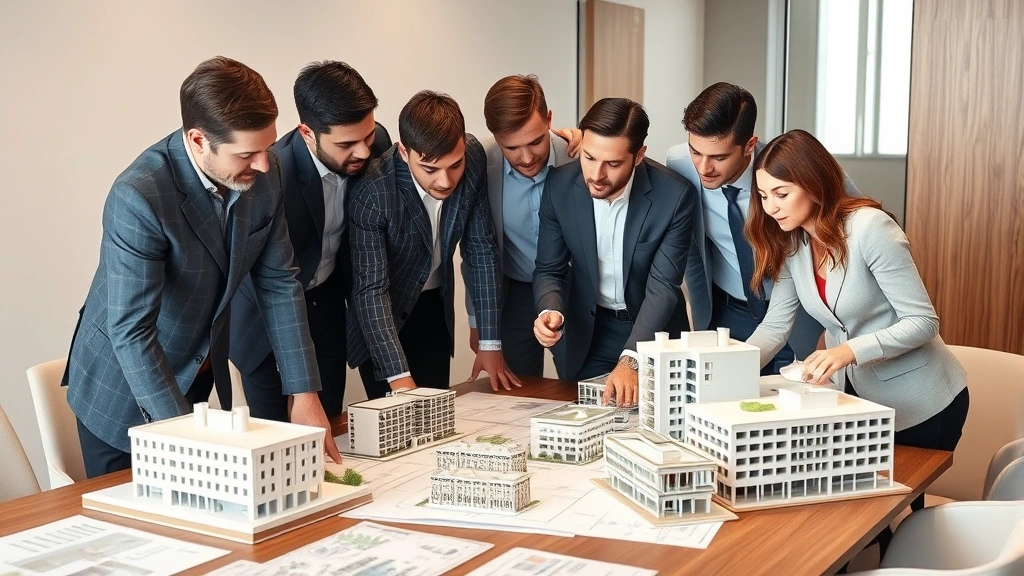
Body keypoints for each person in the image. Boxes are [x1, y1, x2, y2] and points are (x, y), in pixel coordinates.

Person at [64, 56, 341, 477]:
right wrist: (188, 439)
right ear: (197, 141)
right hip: (122, 388)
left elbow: (280, 284)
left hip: (197, 372)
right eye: (248, 153)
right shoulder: (139, 195)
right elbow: (131, 330)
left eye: (267, 148)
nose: (264, 165)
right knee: (137, 533)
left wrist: (304, 393)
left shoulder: (264, 171)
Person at [744, 129, 969, 513]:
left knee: (889, 513)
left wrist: (849, 350)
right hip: (861, 403)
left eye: (781, 194)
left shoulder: (869, 228)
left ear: (814, 186)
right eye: (764, 196)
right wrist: (725, 368)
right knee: (856, 510)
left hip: (924, 403)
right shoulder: (792, 242)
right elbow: (774, 327)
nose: (771, 208)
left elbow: (923, 321)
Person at [229, 61, 391, 423]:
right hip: (264, 316)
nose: (364, 152)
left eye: (367, 136)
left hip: (327, 305)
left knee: (327, 424)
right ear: (307, 132)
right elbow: (260, 273)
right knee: (271, 437)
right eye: (348, 143)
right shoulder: (272, 174)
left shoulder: (377, 144)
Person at [665, 82, 860, 374]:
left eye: (719, 158)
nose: (704, 168)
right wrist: (571, 143)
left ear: (750, 145)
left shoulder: (795, 170)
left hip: (799, 318)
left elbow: (856, 226)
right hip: (726, 312)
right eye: (696, 152)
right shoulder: (680, 163)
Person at [347, 90, 520, 399]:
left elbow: (481, 250)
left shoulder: (474, 157)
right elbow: (370, 291)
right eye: (430, 170)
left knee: (436, 417)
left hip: (434, 309)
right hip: (383, 316)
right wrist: (400, 379)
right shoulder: (372, 191)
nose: (445, 181)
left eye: (454, 165)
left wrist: (490, 343)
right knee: (395, 427)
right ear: (404, 152)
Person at [533, 97, 695, 406]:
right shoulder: (559, 186)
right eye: (590, 157)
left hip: (652, 333)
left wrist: (632, 359)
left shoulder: (674, 196)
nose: (596, 174)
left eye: (613, 163)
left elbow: (663, 287)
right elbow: (549, 269)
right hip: (586, 334)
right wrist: (549, 309)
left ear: (639, 156)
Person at [462, 74, 575, 377]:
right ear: (495, 136)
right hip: (512, 296)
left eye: (536, 141)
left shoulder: (578, 156)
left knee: (582, 386)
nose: (526, 158)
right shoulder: (480, 163)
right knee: (518, 393)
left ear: (549, 119)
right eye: (511, 147)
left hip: (574, 290)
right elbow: (475, 251)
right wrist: (478, 323)